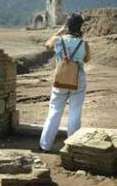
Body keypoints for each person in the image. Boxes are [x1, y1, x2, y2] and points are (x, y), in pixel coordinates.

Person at [39, 13, 91, 152]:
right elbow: (87, 60)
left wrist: (60, 31)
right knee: (75, 111)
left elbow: (47, 45)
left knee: (54, 110)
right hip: (78, 78)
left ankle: (45, 145)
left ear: (67, 26)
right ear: (80, 27)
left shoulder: (58, 39)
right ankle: (72, 146)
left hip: (60, 78)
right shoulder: (84, 43)